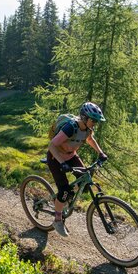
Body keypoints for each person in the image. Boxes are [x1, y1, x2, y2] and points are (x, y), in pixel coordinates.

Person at [46, 101, 108, 237]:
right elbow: (52, 145)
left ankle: (65, 198)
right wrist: (62, 163)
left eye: (97, 121)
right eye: (94, 120)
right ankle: (57, 220)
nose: (95, 123)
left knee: (84, 181)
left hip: (71, 156)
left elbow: (89, 139)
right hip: (56, 158)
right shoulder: (70, 128)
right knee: (64, 190)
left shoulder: (87, 129)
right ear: (85, 118)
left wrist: (101, 153)